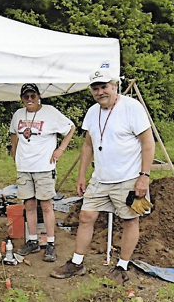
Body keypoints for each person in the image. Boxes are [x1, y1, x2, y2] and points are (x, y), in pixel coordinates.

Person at [50, 68, 155, 285]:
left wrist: (144, 176)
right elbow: (88, 145)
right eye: (96, 88)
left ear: (114, 86)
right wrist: (81, 176)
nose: (100, 92)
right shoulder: (92, 112)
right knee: (86, 217)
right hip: (100, 178)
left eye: (104, 86)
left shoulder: (132, 108)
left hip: (128, 178)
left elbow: (148, 143)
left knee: (129, 220)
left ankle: (122, 266)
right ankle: (77, 262)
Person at [10, 83, 75, 262]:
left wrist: (61, 149)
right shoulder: (18, 115)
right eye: (26, 97)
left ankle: (50, 243)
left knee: (46, 205)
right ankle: (32, 240)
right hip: (24, 168)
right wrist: (15, 154)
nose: (29, 100)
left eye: (32, 96)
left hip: (44, 167)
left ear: (39, 96)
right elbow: (13, 135)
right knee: (29, 205)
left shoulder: (50, 112)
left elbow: (71, 128)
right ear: (22, 99)